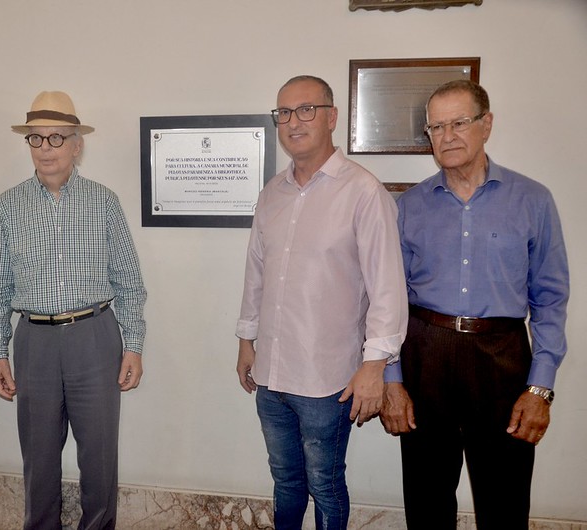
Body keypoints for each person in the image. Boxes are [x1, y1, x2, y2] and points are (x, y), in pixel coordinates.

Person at [380, 79, 570, 529]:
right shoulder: (410, 206)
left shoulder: (533, 200)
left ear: (486, 125)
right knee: (426, 502)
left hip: (502, 360)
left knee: (504, 503)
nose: (446, 137)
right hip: (425, 355)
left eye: (459, 123)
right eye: (436, 127)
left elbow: (551, 299)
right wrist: (392, 378)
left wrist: (539, 388)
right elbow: (388, 298)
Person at [235, 75, 408, 529]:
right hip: (271, 374)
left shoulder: (364, 192)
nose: (293, 122)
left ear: (332, 117)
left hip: (327, 379)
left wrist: (375, 366)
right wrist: (246, 339)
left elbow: (388, 288)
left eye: (306, 110)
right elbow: (256, 273)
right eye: (284, 113)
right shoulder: (272, 193)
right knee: (285, 481)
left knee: (326, 484)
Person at [0, 91, 147, 530]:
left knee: (99, 457)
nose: (46, 149)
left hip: (95, 338)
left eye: (57, 139)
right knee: (38, 459)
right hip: (33, 342)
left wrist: (133, 345)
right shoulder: (8, 206)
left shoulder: (103, 202)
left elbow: (129, 280)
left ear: (77, 144)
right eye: (36, 139)